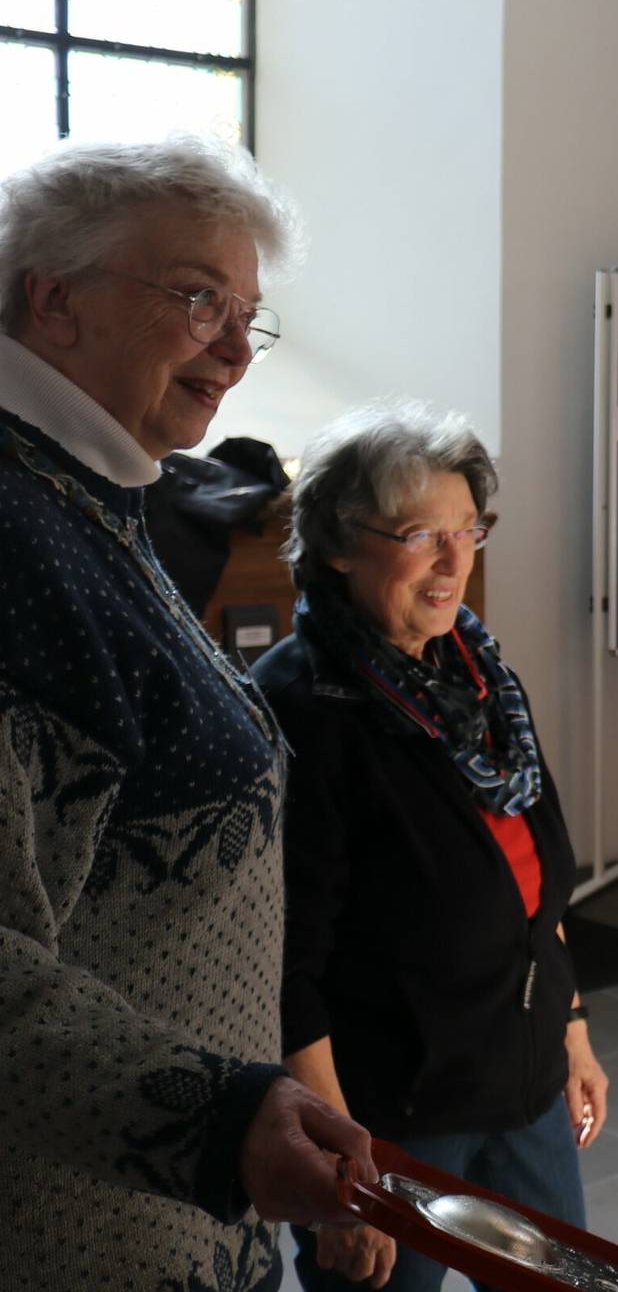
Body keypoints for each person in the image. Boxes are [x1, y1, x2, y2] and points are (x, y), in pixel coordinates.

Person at [0, 136, 373, 1288]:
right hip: (82, 1228)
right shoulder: (13, 529)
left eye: (246, 315)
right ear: (54, 300)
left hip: (177, 1205)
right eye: (197, 296)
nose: (233, 349)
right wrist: (213, 1117)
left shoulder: (92, 488)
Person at [254, 402, 610, 1291]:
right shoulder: (300, 708)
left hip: (520, 1076)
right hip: (392, 1116)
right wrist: (345, 1165)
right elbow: (285, 968)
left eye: (468, 530)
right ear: (340, 543)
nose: (456, 561)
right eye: (422, 534)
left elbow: (537, 889)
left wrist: (572, 1031)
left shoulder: (476, 674)